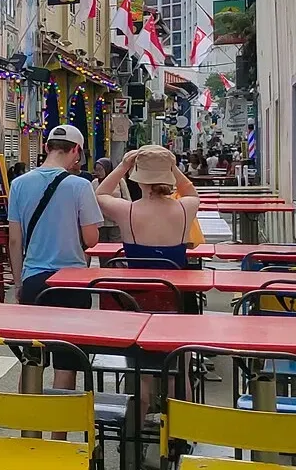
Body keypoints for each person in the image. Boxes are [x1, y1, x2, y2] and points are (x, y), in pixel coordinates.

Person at [93, 145, 200, 420]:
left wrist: (123, 166)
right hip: (177, 298)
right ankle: (181, 430)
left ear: (138, 178)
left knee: (140, 370)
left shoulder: (127, 211)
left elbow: (101, 193)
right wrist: (171, 166)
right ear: (168, 178)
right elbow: (190, 191)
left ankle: (139, 424)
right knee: (180, 368)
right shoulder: (185, 208)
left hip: (137, 299)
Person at [8, 124, 103, 416]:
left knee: (32, 357)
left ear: (48, 147)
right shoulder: (80, 186)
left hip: (34, 280)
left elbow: (15, 238)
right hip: (72, 283)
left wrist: (18, 280)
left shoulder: (20, 184)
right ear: (75, 151)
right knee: (67, 361)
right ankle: (58, 437)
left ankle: (29, 427)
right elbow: (91, 240)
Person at [90, 157, 129, 242]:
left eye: (100, 169)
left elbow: (127, 199)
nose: (98, 172)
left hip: (115, 220)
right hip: (101, 222)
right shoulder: (94, 183)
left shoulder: (119, 181)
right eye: (96, 170)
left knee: (116, 244)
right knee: (102, 246)